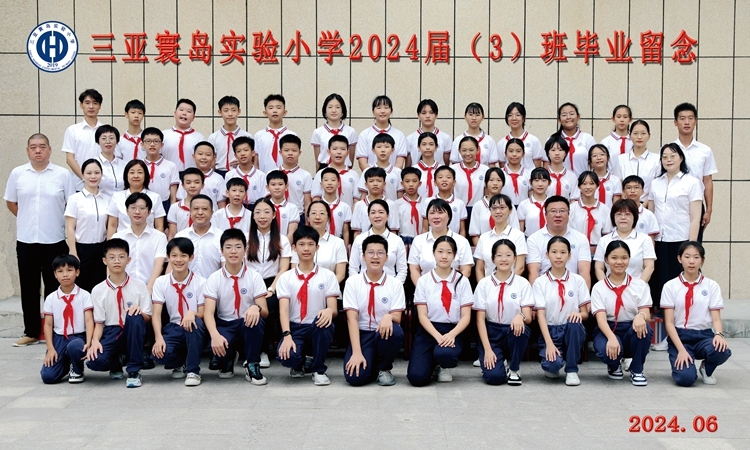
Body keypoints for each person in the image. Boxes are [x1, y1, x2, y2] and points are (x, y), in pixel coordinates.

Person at [5, 133, 75, 346]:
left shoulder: (62, 174)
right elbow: (11, 202)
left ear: (50, 150)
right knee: (29, 288)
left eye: (42, 146)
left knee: (55, 287)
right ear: (28, 150)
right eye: (33, 147)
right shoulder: (18, 174)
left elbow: (71, 206)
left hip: (54, 240)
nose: (38, 150)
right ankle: (31, 332)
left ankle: (56, 331)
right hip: (26, 240)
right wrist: (28, 219)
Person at [277, 226, 341, 385]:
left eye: (311, 244)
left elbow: (333, 309)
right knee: (288, 357)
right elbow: (283, 310)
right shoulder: (286, 278)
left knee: (325, 324)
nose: (306, 248)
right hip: (295, 327)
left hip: (316, 326)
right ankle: (298, 363)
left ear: (317, 247)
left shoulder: (328, 276)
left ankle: (318, 369)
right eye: (302, 244)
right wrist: (287, 335)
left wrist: (329, 311)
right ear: (294, 248)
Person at [203, 229, 269, 384]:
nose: (233, 251)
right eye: (228, 247)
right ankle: (229, 358)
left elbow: (265, 311)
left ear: (245, 249)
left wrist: (256, 308)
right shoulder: (214, 278)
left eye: (238, 247)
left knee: (257, 321)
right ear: (222, 251)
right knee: (216, 347)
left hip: (246, 323)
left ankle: (252, 364)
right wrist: (215, 336)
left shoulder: (254, 276)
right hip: (225, 324)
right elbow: (208, 312)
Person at [661, 241, 731, 386]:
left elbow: (716, 319)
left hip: (704, 335)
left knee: (721, 350)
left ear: (702, 260)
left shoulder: (712, 286)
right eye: (687, 257)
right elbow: (669, 323)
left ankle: (707, 368)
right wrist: (681, 350)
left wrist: (719, 334)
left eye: (696, 257)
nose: (691, 261)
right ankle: (685, 364)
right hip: (680, 336)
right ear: (679, 259)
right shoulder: (670, 286)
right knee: (685, 379)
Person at [407, 236, 473, 386]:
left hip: (452, 329)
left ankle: (443, 365)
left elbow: (466, 316)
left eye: (449, 252)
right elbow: (422, 315)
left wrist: (452, 334)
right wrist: (437, 336)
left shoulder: (462, 281)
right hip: (429, 329)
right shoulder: (424, 281)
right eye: (440, 251)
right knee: (416, 378)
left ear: (454, 255)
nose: (444, 256)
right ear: (433, 253)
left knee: (445, 354)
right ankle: (431, 361)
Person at [86, 238, 152, 388]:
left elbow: (148, 317)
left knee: (134, 316)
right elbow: (99, 323)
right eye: (112, 257)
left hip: (133, 331)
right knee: (95, 361)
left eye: (121, 257)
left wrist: (139, 312)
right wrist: (95, 341)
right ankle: (116, 362)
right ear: (104, 261)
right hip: (111, 331)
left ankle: (134, 371)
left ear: (128, 260)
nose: (117, 261)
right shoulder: (98, 290)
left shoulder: (139, 285)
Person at [343, 235, 406, 386]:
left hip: (383, 333)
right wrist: (357, 353)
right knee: (355, 378)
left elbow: (397, 317)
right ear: (363, 257)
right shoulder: (352, 282)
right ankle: (371, 363)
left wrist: (388, 317)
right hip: (362, 333)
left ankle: (384, 368)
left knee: (395, 331)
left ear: (387, 258)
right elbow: (352, 319)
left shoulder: (395, 284)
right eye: (370, 252)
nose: (375, 257)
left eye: (380, 253)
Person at [590, 241, 653, 386]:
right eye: (614, 258)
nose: (619, 262)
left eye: (624, 258)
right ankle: (613, 366)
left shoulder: (639, 285)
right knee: (606, 350)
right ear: (606, 260)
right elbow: (601, 319)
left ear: (629, 259)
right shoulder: (599, 287)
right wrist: (611, 338)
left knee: (645, 329)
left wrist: (640, 316)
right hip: (607, 327)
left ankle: (637, 370)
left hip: (631, 327)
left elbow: (646, 313)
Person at [474, 239, 534, 385]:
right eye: (499, 255)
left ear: (515, 258)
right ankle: (499, 363)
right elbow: (480, 319)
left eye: (508, 255)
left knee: (521, 329)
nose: (504, 259)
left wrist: (520, 316)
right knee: (494, 378)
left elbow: (528, 316)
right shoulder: (484, 284)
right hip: (492, 332)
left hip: (513, 330)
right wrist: (488, 350)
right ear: (493, 258)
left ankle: (514, 368)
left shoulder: (522, 283)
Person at [649, 143, 702, 307]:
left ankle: (683, 311)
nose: (668, 160)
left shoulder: (692, 182)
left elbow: (695, 217)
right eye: (664, 157)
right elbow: (651, 213)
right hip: (659, 239)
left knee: (679, 278)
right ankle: (662, 313)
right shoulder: (655, 183)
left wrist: (691, 245)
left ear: (681, 158)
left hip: (681, 238)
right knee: (660, 279)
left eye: (672, 156)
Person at [533, 237, 590, 386]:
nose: (558, 256)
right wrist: (549, 343)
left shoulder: (578, 280)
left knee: (575, 324)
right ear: (547, 255)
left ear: (569, 255)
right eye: (554, 252)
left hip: (571, 329)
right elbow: (540, 315)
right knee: (552, 366)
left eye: (563, 252)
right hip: (550, 330)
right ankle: (554, 363)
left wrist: (579, 314)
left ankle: (572, 370)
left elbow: (585, 313)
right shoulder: (540, 282)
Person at [151, 237, 206, 386]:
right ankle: (181, 361)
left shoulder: (201, 282)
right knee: (160, 354)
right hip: (174, 327)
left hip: (196, 327)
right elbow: (156, 314)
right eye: (174, 255)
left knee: (194, 323)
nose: (179, 260)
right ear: (168, 257)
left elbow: (203, 314)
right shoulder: (161, 282)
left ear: (191, 257)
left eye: (183, 255)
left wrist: (192, 313)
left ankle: (193, 371)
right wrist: (158, 338)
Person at [247, 198, 292, 368]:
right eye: (258, 212)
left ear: (274, 215)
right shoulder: (245, 238)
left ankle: (263, 350)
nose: (262, 216)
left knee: (266, 307)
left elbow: (284, 269)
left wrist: (272, 288)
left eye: (266, 212)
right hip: (250, 284)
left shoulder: (282, 240)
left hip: (273, 283)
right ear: (253, 216)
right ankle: (251, 350)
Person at [40, 254, 93, 384]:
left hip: (78, 337)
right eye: (60, 271)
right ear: (55, 274)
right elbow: (48, 325)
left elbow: (89, 321)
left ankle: (77, 368)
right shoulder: (51, 298)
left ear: (77, 272)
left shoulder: (85, 295)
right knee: (48, 377)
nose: (65, 274)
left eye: (69, 270)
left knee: (75, 346)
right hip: (59, 338)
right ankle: (65, 363)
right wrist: (50, 348)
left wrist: (89, 341)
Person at [672, 103, 717, 241]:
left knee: (694, 246)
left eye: (690, 118)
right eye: (682, 118)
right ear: (675, 122)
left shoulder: (705, 151)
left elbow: (707, 181)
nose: (687, 122)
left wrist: (709, 210)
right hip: (674, 204)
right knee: (674, 245)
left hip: (696, 203)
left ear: (696, 121)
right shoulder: (668, 150)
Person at [65, 159, 110, 293]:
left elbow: (110, 225)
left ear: (101, 174)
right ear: (83, 175)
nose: (93, 176)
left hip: (101, 249)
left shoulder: (107, 199)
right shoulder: (75, 199)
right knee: (82, 287)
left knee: (99, 287)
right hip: (81, 249)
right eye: (89, 173)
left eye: (97, 173)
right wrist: (73, 251)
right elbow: (70, 227)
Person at [526, 196, 592, 288]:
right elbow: (534, 272)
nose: (558, 215)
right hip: (544, 289)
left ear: (569, 214)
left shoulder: (581, 238)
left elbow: (584, 272)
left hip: (573, 288)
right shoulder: (534, 239)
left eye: (562, 211)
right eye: (553, 211)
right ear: (545, 214)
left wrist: (584, 296)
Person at [409, 198, 474, 285]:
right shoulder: (418, 240)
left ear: (449, 216)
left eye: (440, 212)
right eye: (432, 213)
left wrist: (453, 288)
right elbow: (414, 269)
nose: (436, 216)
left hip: (454, 289)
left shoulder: (461, 241)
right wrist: (422, 289)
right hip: (425, 289)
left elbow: (466, 270)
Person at [112, 193, 167, 293]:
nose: (137, 212)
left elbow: (159, 264)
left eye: (142, 208)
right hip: (123, 288)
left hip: (149, 288)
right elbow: (111, 265)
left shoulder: (159, 237)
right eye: (133, 208)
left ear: (149, 212)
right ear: (127, 211)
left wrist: (149, 288)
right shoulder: (117, 237)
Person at [594, 199, 656, 282]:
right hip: (610, 287)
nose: (623, 217)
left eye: (627, 214)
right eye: (619, 214)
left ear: (635, 217)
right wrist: (606, 286)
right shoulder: (604, 240)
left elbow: (649, 267)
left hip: (638, 287)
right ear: (613, 217)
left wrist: (638, 286)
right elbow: (599, 268)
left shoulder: (645, 239)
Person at [349, 200, 408, 283]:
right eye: (373, 213)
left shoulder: (397, 240)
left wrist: (394, 287)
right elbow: (353, 268)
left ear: (388, 216)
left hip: (390, 286)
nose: (377, 216)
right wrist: (357, 285)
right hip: (363, 286)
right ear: (368, 216)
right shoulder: (359, 239)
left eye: (381, 212)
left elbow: (402, 270)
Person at [106, 159, 166, 237]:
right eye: (132, 172)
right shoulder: (117, 197)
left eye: (140, 172)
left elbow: (159, 226)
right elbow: (112, 225)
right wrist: (110, 244)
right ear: (126, 175)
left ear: (145, 175)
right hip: (122, 241)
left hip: (148, 240)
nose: (136, 176)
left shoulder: (155, 197)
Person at [474, 194, 527, 280]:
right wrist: (484, 285)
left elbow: (520, 267)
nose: (498, 211)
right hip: (488, 285)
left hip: (512, 284)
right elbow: (479, 269)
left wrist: (505, 284)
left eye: (502, 207)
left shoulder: (518, 235)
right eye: (494, 208)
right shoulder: (484, 237)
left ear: (510, 210)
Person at [292, 201, 347, 282]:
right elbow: (294, 271)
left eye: (322, 213)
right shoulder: (299, 241)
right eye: (313, 213)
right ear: (308, 217)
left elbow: (340, 275)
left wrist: (325, 287)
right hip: (301, 286)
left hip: (329, 287)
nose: (317, 217)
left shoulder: (338, 243)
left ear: (328, 218)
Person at [63, 89, 103, 190]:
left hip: (103, 185)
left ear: (100, 106)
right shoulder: (73, 130)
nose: (91, 106)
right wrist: (85, 178)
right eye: (87, 103)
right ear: (81, 105)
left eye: (95, 103)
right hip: (78, 185)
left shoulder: (106, 131)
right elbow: (69, 159)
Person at [174, 195, 223, 278]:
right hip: (185, 285)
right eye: (196, 209)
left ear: (212, 213)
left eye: (204, 209)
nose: (200, 212)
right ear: (190, 212)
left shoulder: (221, 237)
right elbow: (173, 266)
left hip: (213, 285)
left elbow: (226, 267)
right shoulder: (181, 236)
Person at [470, 168, 521, 244]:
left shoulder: (509, 205)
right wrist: (482, 249)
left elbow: (515, 230)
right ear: (486, 183)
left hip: (506, 247)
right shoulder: (478, 206)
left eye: (498, 180)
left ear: (503, 183)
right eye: (491, 180)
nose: (495, 183)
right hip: (484, 246)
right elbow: (474, 234)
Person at [356, 95, 407, 170]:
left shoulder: (399, 135)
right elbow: (362, 162)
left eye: (386, 108)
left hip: (393, 176)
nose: (382, 111)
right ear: (373, 111)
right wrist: (373, 176)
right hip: (371, 176)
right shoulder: (364, 134)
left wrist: (392, 175)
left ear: (391, 111)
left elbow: (399, 163)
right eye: (379, 108)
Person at [569, 171, 612, 257]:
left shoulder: (605, 210)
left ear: (597, 185)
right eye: (584, 184)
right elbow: (569, 233)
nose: (588, 187)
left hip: (598, 253)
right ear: (579, 186)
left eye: (592, 183)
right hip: (576, 251)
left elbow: (606, 235)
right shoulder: (571, 209)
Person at [617, 120, 660, 206]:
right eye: (635, 133)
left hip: (648, 206)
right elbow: (618, 185)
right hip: (626, 207)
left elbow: (657, 187)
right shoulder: (621, 159)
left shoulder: (656, 159)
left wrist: (643, 207)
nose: (639, 137)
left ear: (649, 136)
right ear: (630, 135)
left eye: (643, 133)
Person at [311, 93, 358, 170]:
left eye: (337, 107)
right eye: (330, 107)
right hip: (324, 169)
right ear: (325, 111)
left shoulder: (350, 131)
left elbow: (351, 159)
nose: (333, 110)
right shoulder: (318, 132)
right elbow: (317, 161)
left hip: (344, 169)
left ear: (343, 111)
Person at [311, 135, 360, 208]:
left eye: (343, 149)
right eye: (335, 149)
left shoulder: (354, 175)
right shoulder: (320, 173)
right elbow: (316, 198)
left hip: (347, 214)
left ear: (347, 153)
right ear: (329, 152)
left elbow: (356, 200)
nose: (339, 152)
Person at [451, 136, 490, 226]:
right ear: (459, 151)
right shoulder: (453, 170)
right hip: (458, 210)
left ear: (478, 150)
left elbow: (487, 193)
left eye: (471, 150)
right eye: (464, 150)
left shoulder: (485, 170)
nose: (467, 153)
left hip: (478, 210)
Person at [208, 95, 252, 174]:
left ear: (239, 111)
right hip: (219, 173)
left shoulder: (247, 136)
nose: (230, 114)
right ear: (220, 112)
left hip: (240, 173)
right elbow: (211, 159)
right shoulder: (213, 137)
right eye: (226, 110)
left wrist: (243, 161)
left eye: (233, 110)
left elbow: (253, 158)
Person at [351, 167, 400, 237]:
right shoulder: (359, 205)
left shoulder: (391, 204)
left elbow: (393, 230)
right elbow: (357, 232)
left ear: (384, 184)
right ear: (366, 185)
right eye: (371, 181)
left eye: (379, 181)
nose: (375, 184)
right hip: (365, 242)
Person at [178, 141, 226, 210]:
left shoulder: (219, 179)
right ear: (193, 156)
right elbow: (179, 200)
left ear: (214, 157)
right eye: (200, 154)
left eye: (208, 155)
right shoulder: (186, 177)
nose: (204, 157)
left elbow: (221, 205)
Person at [449, 102, 500, 167]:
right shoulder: (458, 140)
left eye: (477, 115)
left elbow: (492, 166)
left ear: (483, 117)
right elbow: (455, 165)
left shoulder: (489, 140)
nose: (474, 118)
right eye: (470, 114)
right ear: (465, 116)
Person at [254, 94, 296, 172]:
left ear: (285, 112)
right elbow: (256, 161)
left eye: (278, 107)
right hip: (264, 176)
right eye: (271, 108)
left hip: (285, 176)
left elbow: (295, 159)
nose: (275, 111)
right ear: (265, 113)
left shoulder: (292, 135)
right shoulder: (259, 135)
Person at [141, 127, 179, 213]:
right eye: (148, 141)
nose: (152, 144)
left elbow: (173, 196)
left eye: (156, 141)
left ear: (162, 145)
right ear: (142, 144)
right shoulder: (138, 165)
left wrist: (172, 213)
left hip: (164, 204)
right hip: (143, 204)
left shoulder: (171, 166)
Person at [497, 102, 545, 170]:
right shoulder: (501, 143)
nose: (514, 118)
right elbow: (502, 168)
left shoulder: (534, 140)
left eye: (518, 115)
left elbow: (537, 168)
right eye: (510, 115)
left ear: (523, 118)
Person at [161, 99, 205, 172]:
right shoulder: (163, 135)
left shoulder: (199, 138)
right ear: (175, 113)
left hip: (192, 176)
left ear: (193, 117)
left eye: (189, 111)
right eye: (181, 110)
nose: (184, 113)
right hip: (168, 174)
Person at [406, 99, 453, 166]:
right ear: (418, 116)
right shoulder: (409, 139)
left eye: (431, 112)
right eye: (424, 113)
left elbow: (446, 164)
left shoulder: (445, 138)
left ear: (436, 115)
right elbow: (408, 166)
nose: (428, 116)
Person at [356, 133, 403, 201]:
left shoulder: (398, 172)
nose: (383, 150)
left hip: (391, 207)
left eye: (386, 147)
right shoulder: (367, 171)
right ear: (373, 150)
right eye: (379, 147)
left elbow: (400, 198)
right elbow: (364, 196)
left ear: (392, 150)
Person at [224, 136, 268, 208]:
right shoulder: (229, 175)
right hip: (236, 207)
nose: (242, 153)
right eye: (238, 151)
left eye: (246, 150)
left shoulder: (261, 175)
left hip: (256, 208)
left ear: (253, 153)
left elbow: (265, 197)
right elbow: (227, 198)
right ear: (235, 155)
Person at [278, 134, 313, 223]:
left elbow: (307, 202)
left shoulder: (306, 175)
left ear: (299, 153)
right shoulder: (272, 173)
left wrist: (307, 222)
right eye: (286, 150)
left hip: (298, 216)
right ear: (280, 152)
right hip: (277, 214)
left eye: (294, 150)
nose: (290, 153)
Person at [556, 102, 597, 175]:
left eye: (572, 114)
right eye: (564, 115)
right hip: (560, 181)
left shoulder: (588, 139)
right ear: (559, 120)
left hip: (583, 181)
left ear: (578, 117)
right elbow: (547, 165)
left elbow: (594, 165)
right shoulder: (553, 139)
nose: (568, 117)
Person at [425, 166, 467, 235]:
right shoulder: (428, 201)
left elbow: (462, 230)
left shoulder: (460, 203)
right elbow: (425, 227)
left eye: (448, 177)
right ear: (435, 182)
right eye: (440, 177)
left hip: (453, 239)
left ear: (454, 182)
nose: (444, 180)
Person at [167, 168, 205, 239]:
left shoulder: (208, 207)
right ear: (183, 186)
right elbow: (172, 235)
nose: (192, 186)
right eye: (188, 182)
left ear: (202, 185)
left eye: (196, 182)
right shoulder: (175, 207)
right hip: (181, 244)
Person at [317, 167, 352, 242]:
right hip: (319, 241)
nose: (329, 183)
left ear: (338, 184)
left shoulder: (345, 207)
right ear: (321, 184)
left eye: (333, 180)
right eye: (326, 180)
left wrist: (345, 247)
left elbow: (345, 232)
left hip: (338, 241)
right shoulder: (316, 206)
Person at [621, 176, 660, 240]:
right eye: (629, 188)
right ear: (623, 191)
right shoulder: (617, 213)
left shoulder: (649, 215)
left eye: (636, 187)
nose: (632, 191)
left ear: (642, 191)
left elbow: (651, 240)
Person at [395, 167, 426, 247]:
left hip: (422, 242)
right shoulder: (396, 204)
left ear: (420, 183)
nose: (411, 184)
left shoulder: (426, 203)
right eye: (407, 181)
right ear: (402, 184)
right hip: (403, 243)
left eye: (414, 181)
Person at [266, 170, 299, 242]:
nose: (277, 187)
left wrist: (284, 247)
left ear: (286, 187)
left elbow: (291, 233)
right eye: (273, 184)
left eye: (280, 184)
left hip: (286, 245)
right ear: (267, 187)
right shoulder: (264, 207)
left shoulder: (292, 208)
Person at [517, 167, 551, 237]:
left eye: (544, 180)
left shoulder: (553, 204)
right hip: (529, 240)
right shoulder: (524, 205)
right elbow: (520, 230)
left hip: (551, 240)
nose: (540, 184)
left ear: (549, 182)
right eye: (536, 180)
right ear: (530, 182)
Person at [545, 134, 579, 200]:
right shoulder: (542, 176)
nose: (557, 153)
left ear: (565, 153)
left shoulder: (572, 176)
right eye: (553, 150)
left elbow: (574, 200)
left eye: (560, 150)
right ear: (547, 153)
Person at [94, 124, 126, 197]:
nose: (108, 141)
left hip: (122, 202)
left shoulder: (124, 165)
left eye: (111, 138)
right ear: (98, 141)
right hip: (101, 202)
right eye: (103, 138)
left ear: (117, 141)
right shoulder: (93, 164)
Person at [501, 137, 532, 206]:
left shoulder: (529, 174)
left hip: (523, 209)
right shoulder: (499, 173)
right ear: (505, 153)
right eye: (511, 151)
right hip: (504, 209)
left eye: (518, 151)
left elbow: (531, 197)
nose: (514, 154)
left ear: (523, 154)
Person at [412, 131, 441, 199]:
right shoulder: (413, 170)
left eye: (431, 144)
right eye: (424, 144)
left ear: (436, 147)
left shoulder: (442, 170)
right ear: (419, 147)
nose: (427, 147)